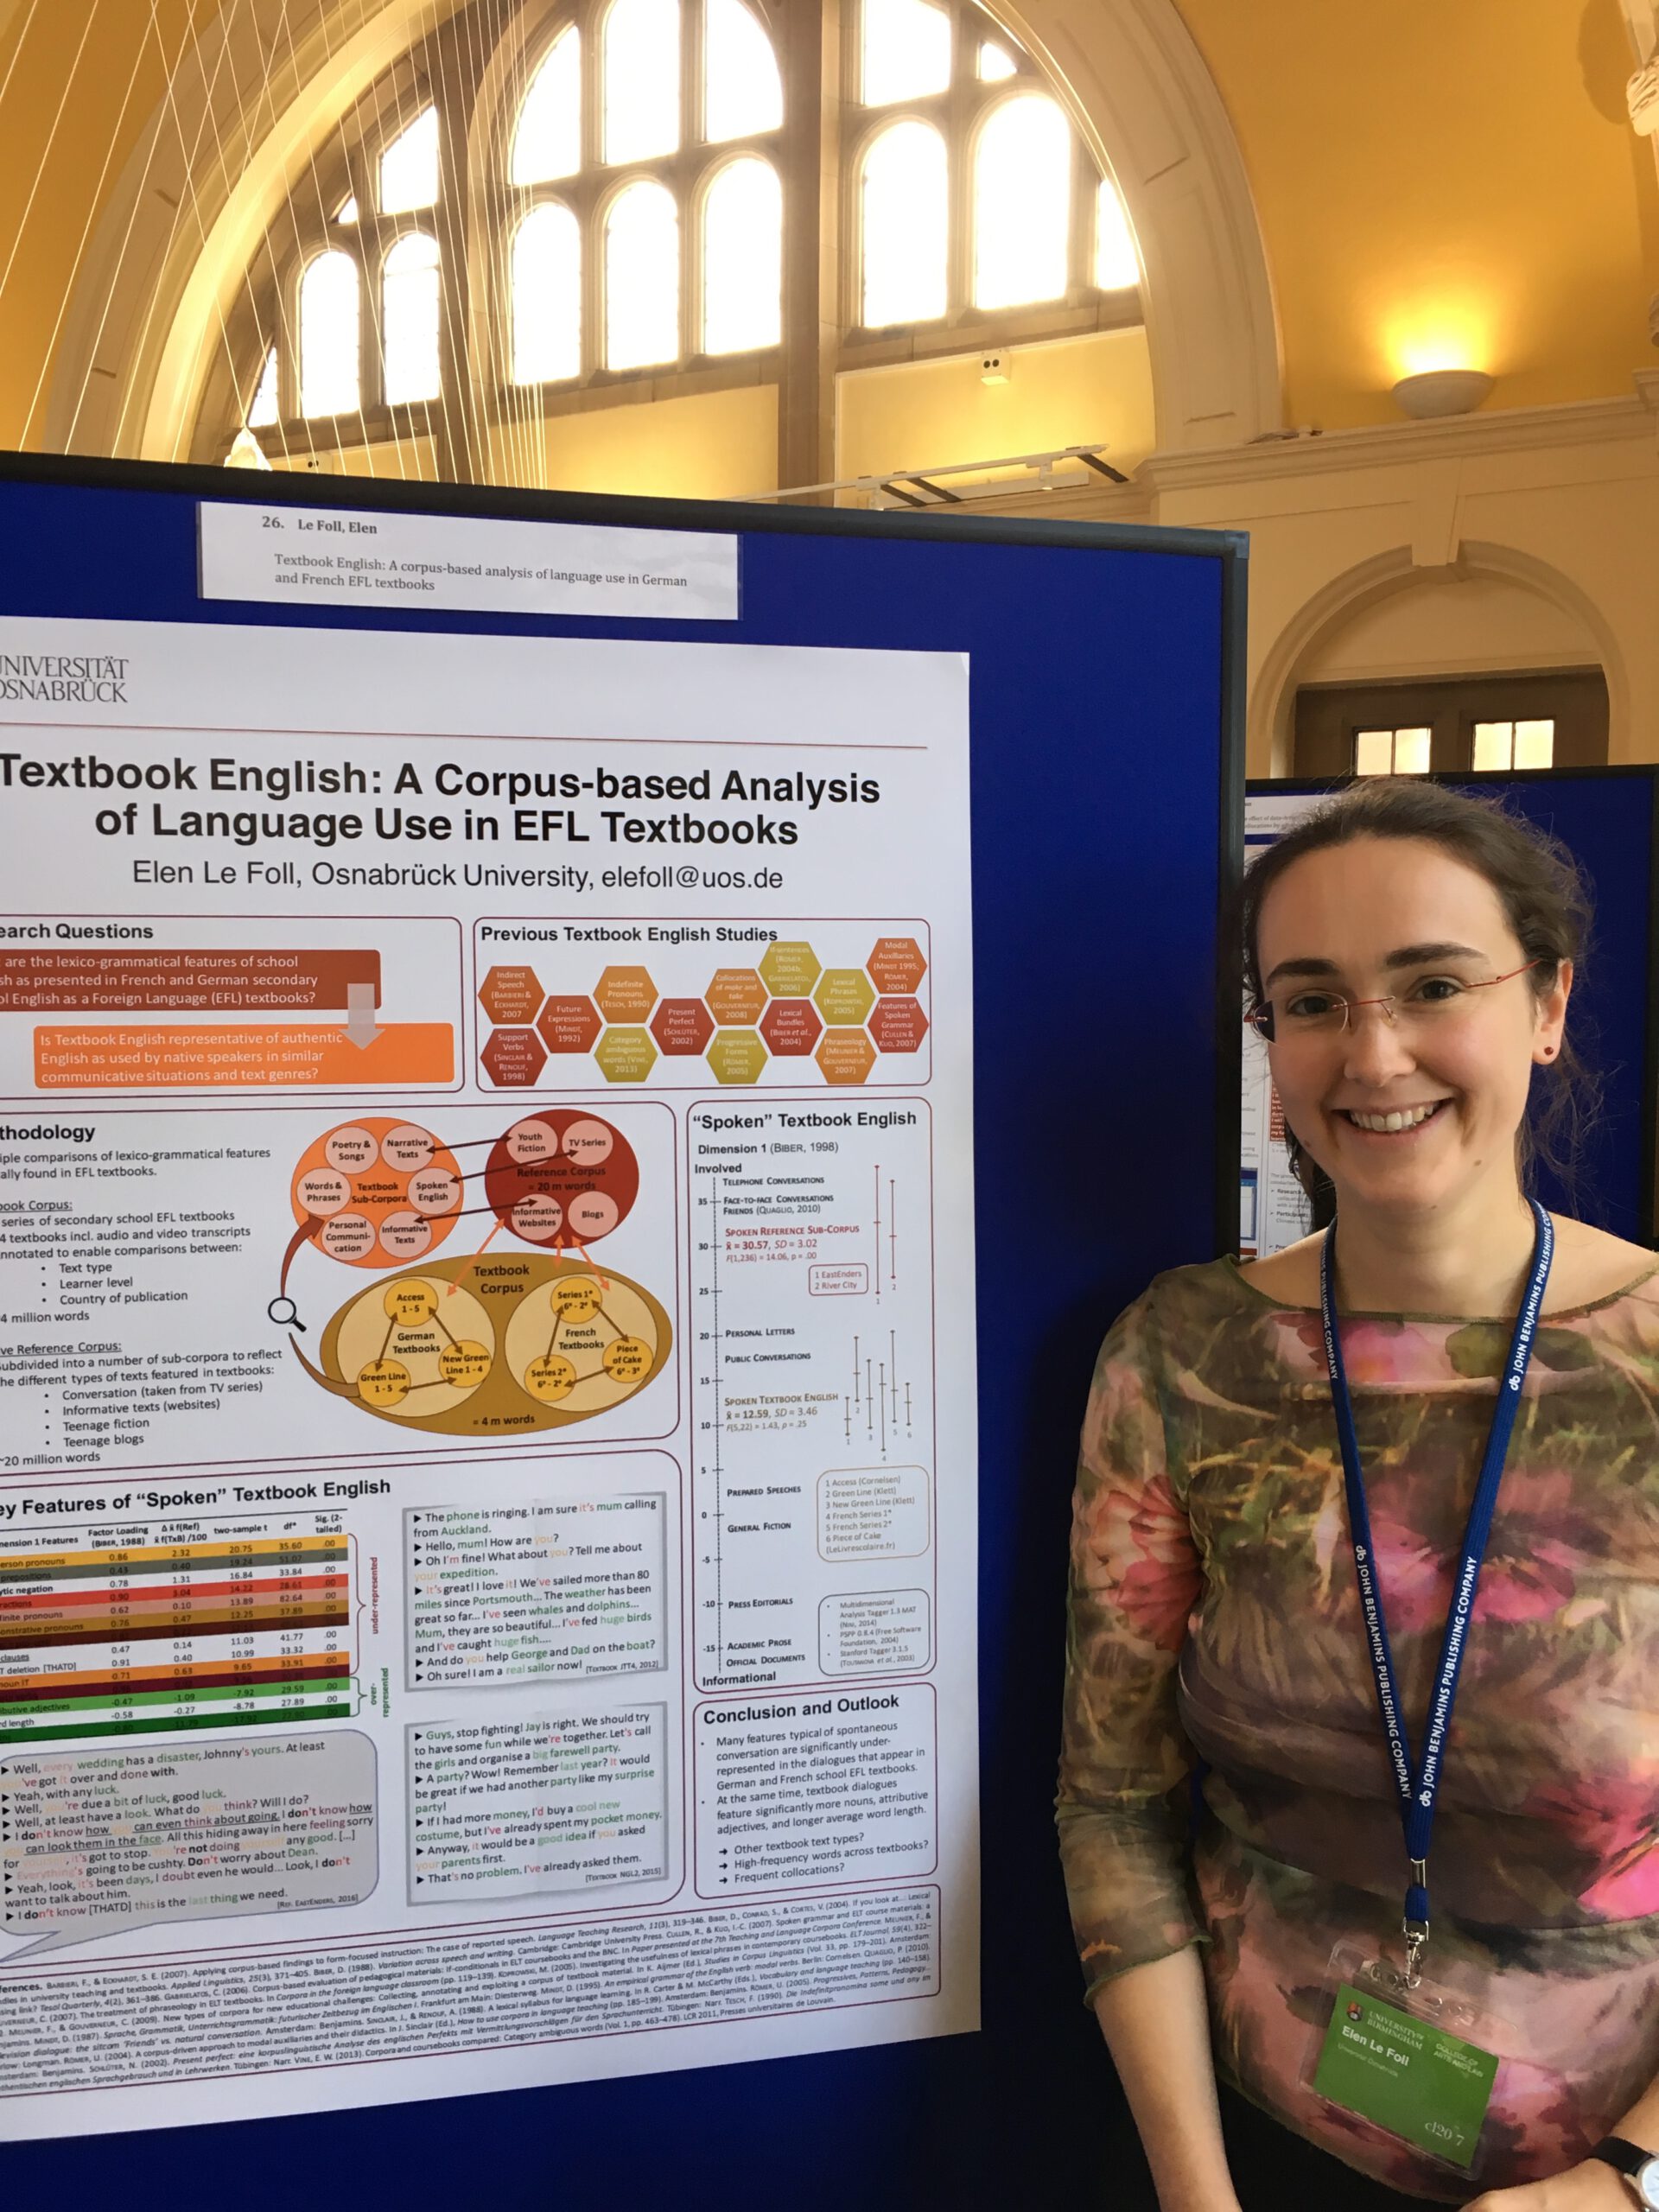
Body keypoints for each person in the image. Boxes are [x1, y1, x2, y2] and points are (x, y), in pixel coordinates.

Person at [1057, 777, 1659, 2210]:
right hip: (1264, 2147)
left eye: (1433, 984)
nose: (1373, 1053)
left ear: (1550, 1002)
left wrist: (1633, 2175)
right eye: (1312, 1002)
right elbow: (1114, 1801)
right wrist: (1200, 2198)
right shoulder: (1182, 1354)